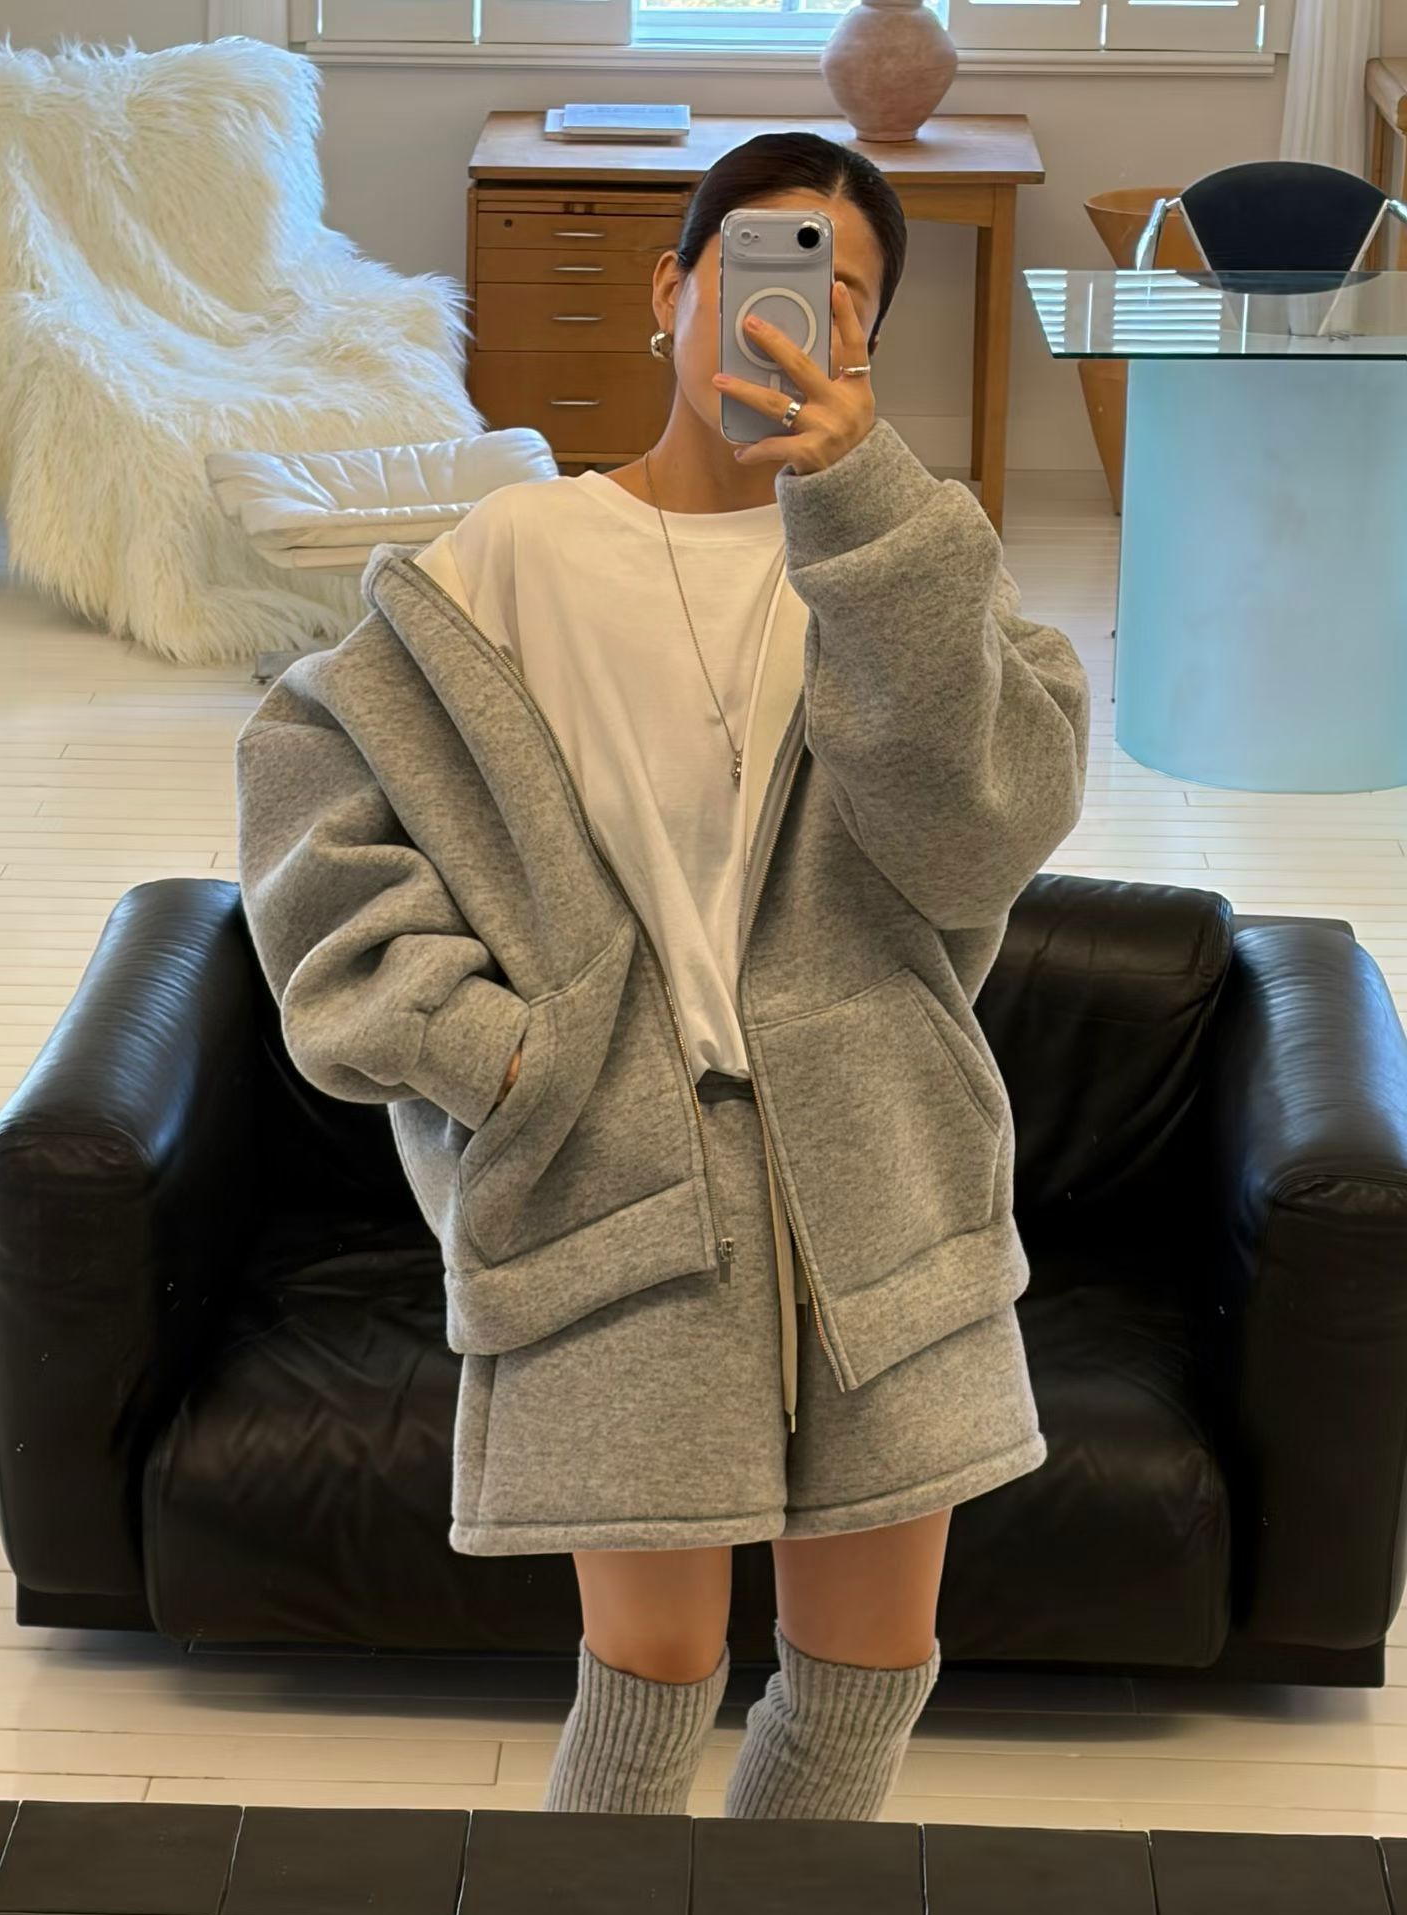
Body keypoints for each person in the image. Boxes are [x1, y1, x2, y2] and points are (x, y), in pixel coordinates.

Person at [234, 129, 1091, 1825]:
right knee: (650, 1680)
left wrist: (865, 517)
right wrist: (490, 1052)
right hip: (609, 1180)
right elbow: (306, 779)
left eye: (841, 298)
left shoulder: (912, 556)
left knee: (865, 1673)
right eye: (757, 264)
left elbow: (976, 835)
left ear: (867, 345)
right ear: (671, 288)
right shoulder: (517, 550)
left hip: (883, 1181)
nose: (791, 314)